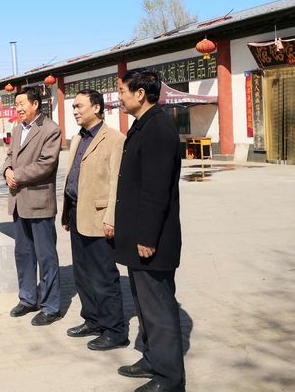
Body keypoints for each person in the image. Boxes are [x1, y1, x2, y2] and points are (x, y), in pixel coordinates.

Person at [115, 70, 185, 392]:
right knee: (144, 305)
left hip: (152, 240)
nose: (120, 97)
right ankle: (151, 358)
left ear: (140, 94)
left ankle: (170, 379)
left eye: (123, 91)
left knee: (159, 309)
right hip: (138, 237)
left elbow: (155, 191)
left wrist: (146, 237)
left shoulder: (158, 128)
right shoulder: (142, 125)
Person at [61, 89, 129, 351]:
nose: (75, 111)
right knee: (83, 274)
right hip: (78, 213)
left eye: (79, 106)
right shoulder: (79, 138)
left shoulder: (114, 139)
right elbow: (73, 177)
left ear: (97, 108)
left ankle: (115, 330)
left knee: (104, 276)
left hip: (100, 218)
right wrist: (68, 212)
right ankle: (92, 319)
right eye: (74, 107)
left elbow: (115, 183)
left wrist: (111, 218)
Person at [3, 88, 63, 325]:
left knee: (46, 256)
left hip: (39, 203)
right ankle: (28, 298)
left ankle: (51, 306)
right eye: (15, 104)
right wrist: (7, 170)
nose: (17, 108)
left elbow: (46, 164)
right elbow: (9, 155)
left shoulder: (50, 129)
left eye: (21, 103)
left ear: (35, 104)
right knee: (23, 253)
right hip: (18, 201)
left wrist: (16, 174)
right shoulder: (18, 129)